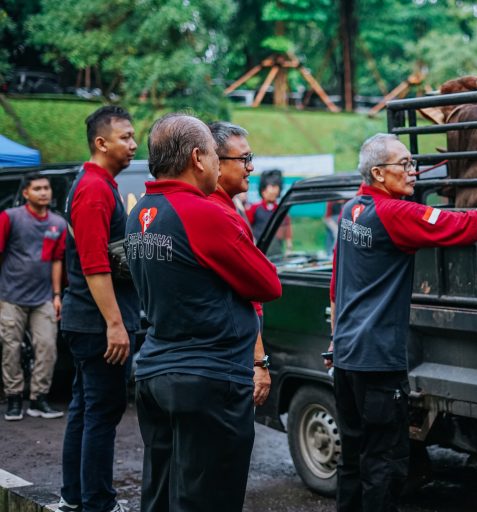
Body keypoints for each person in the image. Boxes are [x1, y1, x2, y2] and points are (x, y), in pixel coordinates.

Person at [326, 132, 477, 512]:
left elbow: (336, 284)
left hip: (346, 359)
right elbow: (468, 225)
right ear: (378, 173)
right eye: (405, 165)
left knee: (353, 460)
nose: (414, 172)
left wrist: (334, 341)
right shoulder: (395, 213)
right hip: (378, 363)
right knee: (385, 464)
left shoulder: (350, 211)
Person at [126, 113, 281, 512]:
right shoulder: (204, 214)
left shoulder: (139, 214)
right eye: (216, 155)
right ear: (198, 158)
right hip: (207, 379)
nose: (222, 163)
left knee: (160, 496)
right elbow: (268, 284)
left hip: (156, 370)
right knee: (207, 500)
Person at [59, 105, 141, 512]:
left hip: (87, 319)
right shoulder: (93, 188)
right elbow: (94, 264)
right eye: (125, 137)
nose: (133, 143)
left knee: (85, 408)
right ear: (101, 142)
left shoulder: (98, 184)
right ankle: (97, 502)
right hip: (96, 323)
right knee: (101, 414)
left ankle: (74, 496)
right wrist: (115, 323)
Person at [208, 120, 270, 406]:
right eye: (245, 159)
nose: (251, 167)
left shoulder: (228, 209)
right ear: (214, 163)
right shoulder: (217, 216)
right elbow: (259, 289)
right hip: (226, 360)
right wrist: (259, 360)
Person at [0, 173, 66, 421]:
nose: (43, 192)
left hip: (43, 298)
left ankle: (38, 399)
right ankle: (14, 399)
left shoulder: (57, 224)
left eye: (46, 188)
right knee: (11, 348)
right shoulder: (10, 218)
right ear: (26, 193)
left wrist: (57, 295)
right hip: (10, 296)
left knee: (47, 346)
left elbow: (57, 260)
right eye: (37, 188)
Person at [247, 169, 292, 250]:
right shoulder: (254, 208)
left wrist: (289, 245)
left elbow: (287, 228)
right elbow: (247, 227)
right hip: (258, 249)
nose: (273, 190)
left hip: (277, 249)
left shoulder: (281, 210)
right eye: (271, 187)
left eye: (275, 187)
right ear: (263, 191)